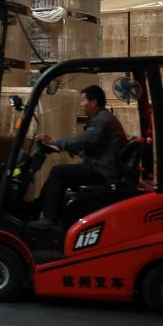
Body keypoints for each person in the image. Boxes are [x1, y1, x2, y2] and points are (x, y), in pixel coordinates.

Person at [34, 85, 127, 225]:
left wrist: (54, 141)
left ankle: (49, 217)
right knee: (59, 173)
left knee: (58, 172)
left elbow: (84, 141)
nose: (80, 104)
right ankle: (37, 207)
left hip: (102, 171)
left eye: (83, 101)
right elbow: (92, 146)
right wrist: (68, 148)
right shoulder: (102, 118)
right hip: (101, 166)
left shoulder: (102, 120)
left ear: (93, 102)